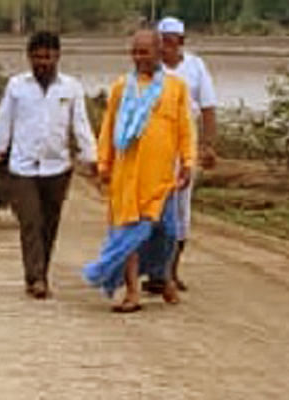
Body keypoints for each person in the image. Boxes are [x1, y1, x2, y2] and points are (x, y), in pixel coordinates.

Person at [82, 28, 196, 312]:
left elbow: (185, 130)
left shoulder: (176, 88)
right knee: (129, 236)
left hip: (160, 181)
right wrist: (103, 164)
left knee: (167, 234)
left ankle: (165, 277)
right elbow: (108, 128)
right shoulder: (122, 87)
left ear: (160, 52)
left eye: (144, 52)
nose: (138, 57)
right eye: (134, 52)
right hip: (127, 177)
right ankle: (132, 292)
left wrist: (188, 163)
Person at [0, 31, 99, 300]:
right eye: (37, 57)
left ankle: (41, 273)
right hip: (22, 167)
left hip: (57, 167)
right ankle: (35, 276)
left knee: (49, 223)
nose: (42, 62)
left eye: (47, 57)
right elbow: (4, 123)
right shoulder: (16, 86)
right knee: (30, 221)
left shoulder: (71, 88)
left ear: (57, 56)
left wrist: (91, 158)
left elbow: (80, 126)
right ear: (29, 57)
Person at [142, 17, 218, 294]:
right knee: (153, 208)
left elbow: (208, 108)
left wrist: (208, 145)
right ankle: (154, 270)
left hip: (185, 147)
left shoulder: (195, 67)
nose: (165, 48)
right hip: (155, 146)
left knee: (180, 211)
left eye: (171, 42)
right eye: (161, 42)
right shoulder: (150, 68)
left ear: (181, 42)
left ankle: (170, 270)